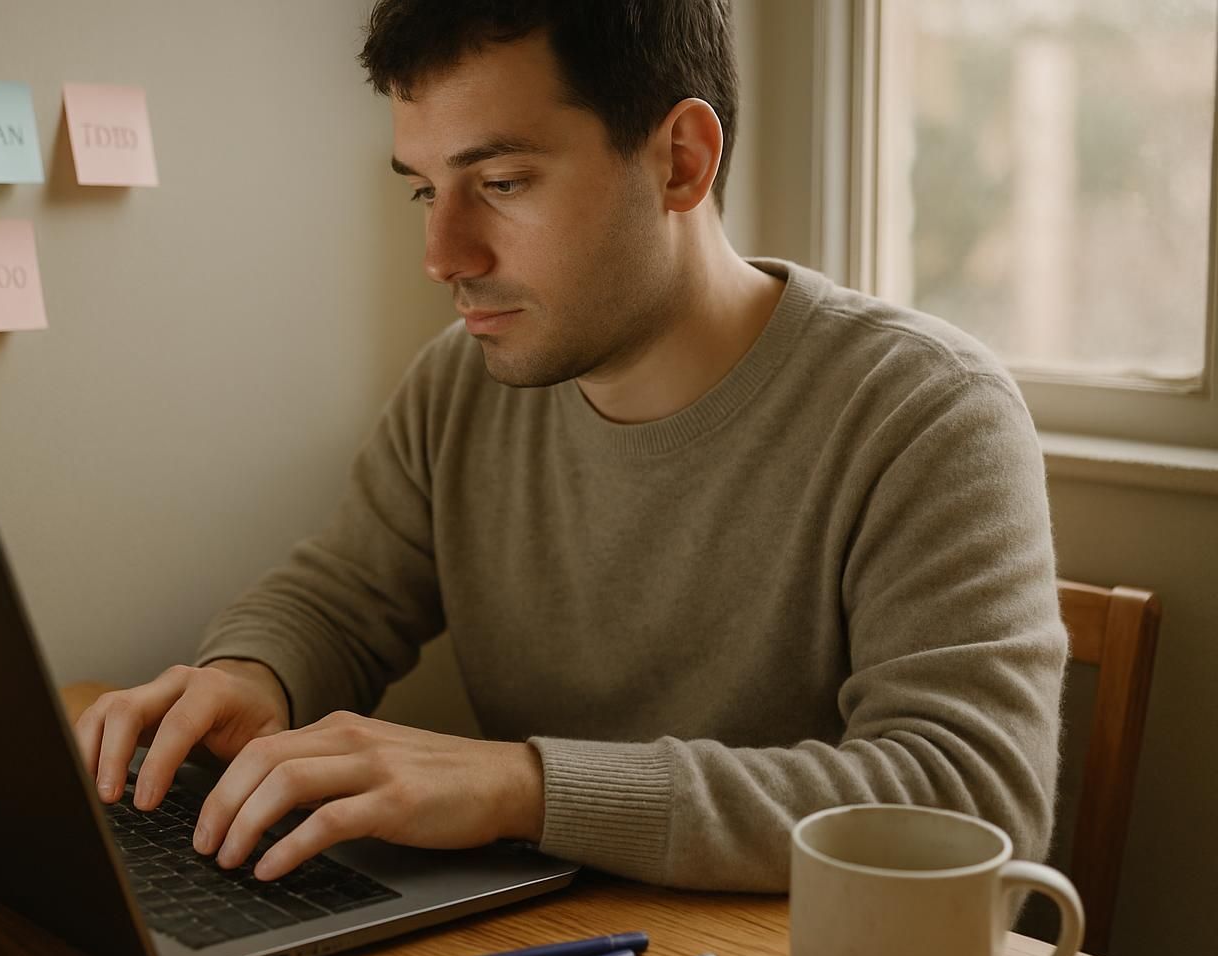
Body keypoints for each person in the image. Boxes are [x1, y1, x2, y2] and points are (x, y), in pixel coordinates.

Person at [74, 0, 1067, 892]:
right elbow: (342, 597)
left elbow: (967, 802)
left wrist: (525, 785)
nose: (442, 257)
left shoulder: (929, 413)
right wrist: (252, 678)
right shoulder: (459, 385)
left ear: (681, 158)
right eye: (425, 190)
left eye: (501, 180)